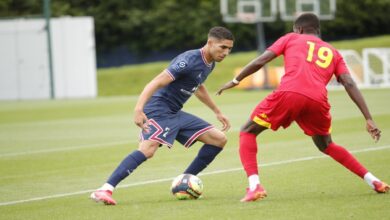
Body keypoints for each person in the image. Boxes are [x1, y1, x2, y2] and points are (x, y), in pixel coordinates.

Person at [217, 12, 389, 202]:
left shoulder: (291, 38)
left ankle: (255, 186)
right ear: (317, 30)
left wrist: (236, 80)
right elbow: (348, 82)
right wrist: (368, 118)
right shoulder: (333, 52)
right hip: (318, 100)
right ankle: (375, 181)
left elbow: (261, 60)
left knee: (247, 131)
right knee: (327, 145)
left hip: (289, 93)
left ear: (298, 29)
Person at [91, 26, 234, 205]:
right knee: (148, 150)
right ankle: (104, 190)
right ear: (210, 43)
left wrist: (217, 112)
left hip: (174, 112)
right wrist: (138, 109)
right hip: (158, 110)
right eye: (223, 47)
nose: (226, 52)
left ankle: (184, 181)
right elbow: (156, 82)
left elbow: (198, 86)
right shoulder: (188, 60)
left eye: (229, 49)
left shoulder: (210, 63)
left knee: (218, 139)